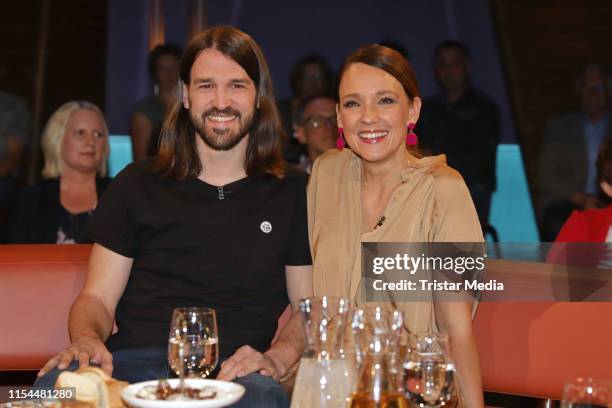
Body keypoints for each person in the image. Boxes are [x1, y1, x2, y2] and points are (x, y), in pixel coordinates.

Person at [35, 26, 312, 408]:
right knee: (48, 391)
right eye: (205, 86)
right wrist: (87, 339)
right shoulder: (137, 182)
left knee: (262, 400)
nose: (220, 101)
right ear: (184, 95)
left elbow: (308, 308)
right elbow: (97, 297)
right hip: (129, 367)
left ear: (258, 96)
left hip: (236, 376)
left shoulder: (294, 192)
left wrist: (276, 358)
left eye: (236, 85)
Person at [307, 45, 484, 406]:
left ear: (413, 111)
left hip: (406, 394)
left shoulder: (443, 191)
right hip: (327, 391)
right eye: (353, 104)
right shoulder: (326, 174)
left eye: (385, 101)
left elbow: (456, 330)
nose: (368, 118)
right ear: (339, 116)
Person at [417, 40, 500, 228]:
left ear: (467, 67)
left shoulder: (485, 108)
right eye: (442, 64)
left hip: (469, 188)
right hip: (428, 184)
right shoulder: (426, 109)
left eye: (454, 64)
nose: (448, 71)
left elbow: (479, 161)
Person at [5, 101, 111, 244]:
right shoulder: (29, 200)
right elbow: (13, 261)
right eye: (80, 133)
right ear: (58, 139)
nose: (91, 141)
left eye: (98, 134)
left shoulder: (121, 196)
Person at [537, 64, 612, 241]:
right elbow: (544, 176)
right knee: (557, 223)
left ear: (609, 90)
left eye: (599, 87)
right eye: (588, 87)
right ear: (579, 90)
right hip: (569, 199)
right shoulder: (559, 126)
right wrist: (581, 198)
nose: (593, 93)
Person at [277, 54, 335, 163]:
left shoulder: (338, 105)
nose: (328, 128)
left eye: (318, 76)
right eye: (317, 122)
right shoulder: (280, 111)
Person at [130, 43, 183, 161]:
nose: (169, 73)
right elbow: (141, 159)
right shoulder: (144, 111)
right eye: (163, 69)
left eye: (174, 67)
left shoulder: (192, 106)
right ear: (155, 73)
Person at [294, 94, 337, 173]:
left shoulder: (362, 175)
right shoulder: (292, 181)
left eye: (335, 119)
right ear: (301, 133)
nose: (329, 126)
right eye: (317, 121)